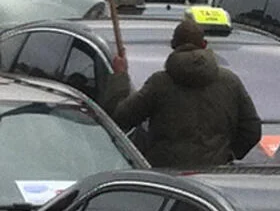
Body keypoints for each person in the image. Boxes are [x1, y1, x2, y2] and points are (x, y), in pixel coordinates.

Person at [102, 19, 262, 168]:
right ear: (204, 44)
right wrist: (228, 155)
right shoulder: (230, 82)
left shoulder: (160, 84)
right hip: (214, 176)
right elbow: (252, 129)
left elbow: (120, 117)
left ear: (173, 45)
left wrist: (120, 76)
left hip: (169, 178)